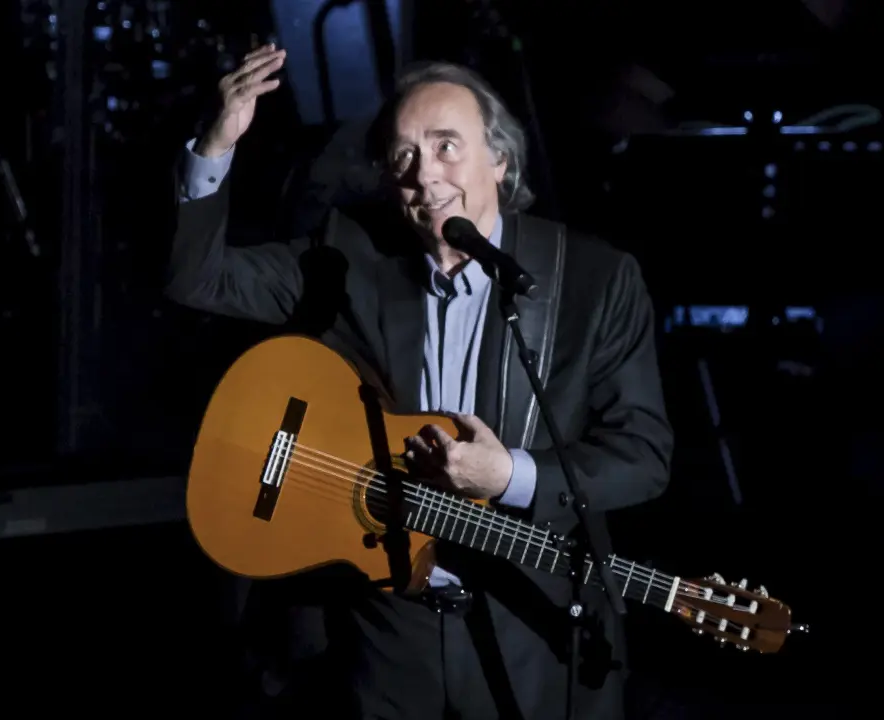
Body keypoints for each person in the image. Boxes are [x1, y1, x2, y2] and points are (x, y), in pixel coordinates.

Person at [167, 46, 673, 720]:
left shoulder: (593, 281)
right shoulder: (351, 257)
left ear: (500, 160)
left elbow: (642, 456)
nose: (424, 175)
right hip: (383, 631)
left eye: (445, 147)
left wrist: (508, 476)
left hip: (528, 626)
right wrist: (214, 148)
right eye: (403, 155)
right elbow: (200, 281)